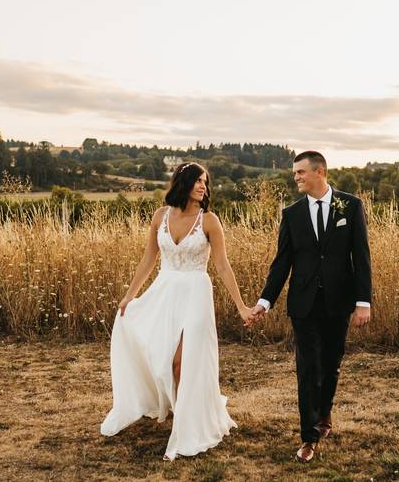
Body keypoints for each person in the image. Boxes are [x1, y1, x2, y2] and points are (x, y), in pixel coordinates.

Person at [101, 162, 252, 460]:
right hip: (165, 290)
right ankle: (169, 405)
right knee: (163, 357)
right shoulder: (161, 216)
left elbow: (222, 265)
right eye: (198, 181)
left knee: (183, 362)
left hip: (196, 292)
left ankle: (186, 424)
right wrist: (129, 296)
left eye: (205, 183)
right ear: (183, 183)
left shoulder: (209, 221)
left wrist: (241, 306)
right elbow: (148, 260)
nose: (203, 187)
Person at [247, 151, 372, 463]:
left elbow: (362, 257)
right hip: (303, 304)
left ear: (320, 171)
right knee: (307, 369)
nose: (296, 178)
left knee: (331, 365)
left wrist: (363, 302)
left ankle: (324, 412)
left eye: (301, 172)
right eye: (295, 173)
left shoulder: (350, 205)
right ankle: (308, 437)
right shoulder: (292, 214)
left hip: (338, 301)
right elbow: (281, 264)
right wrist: (265, 301)